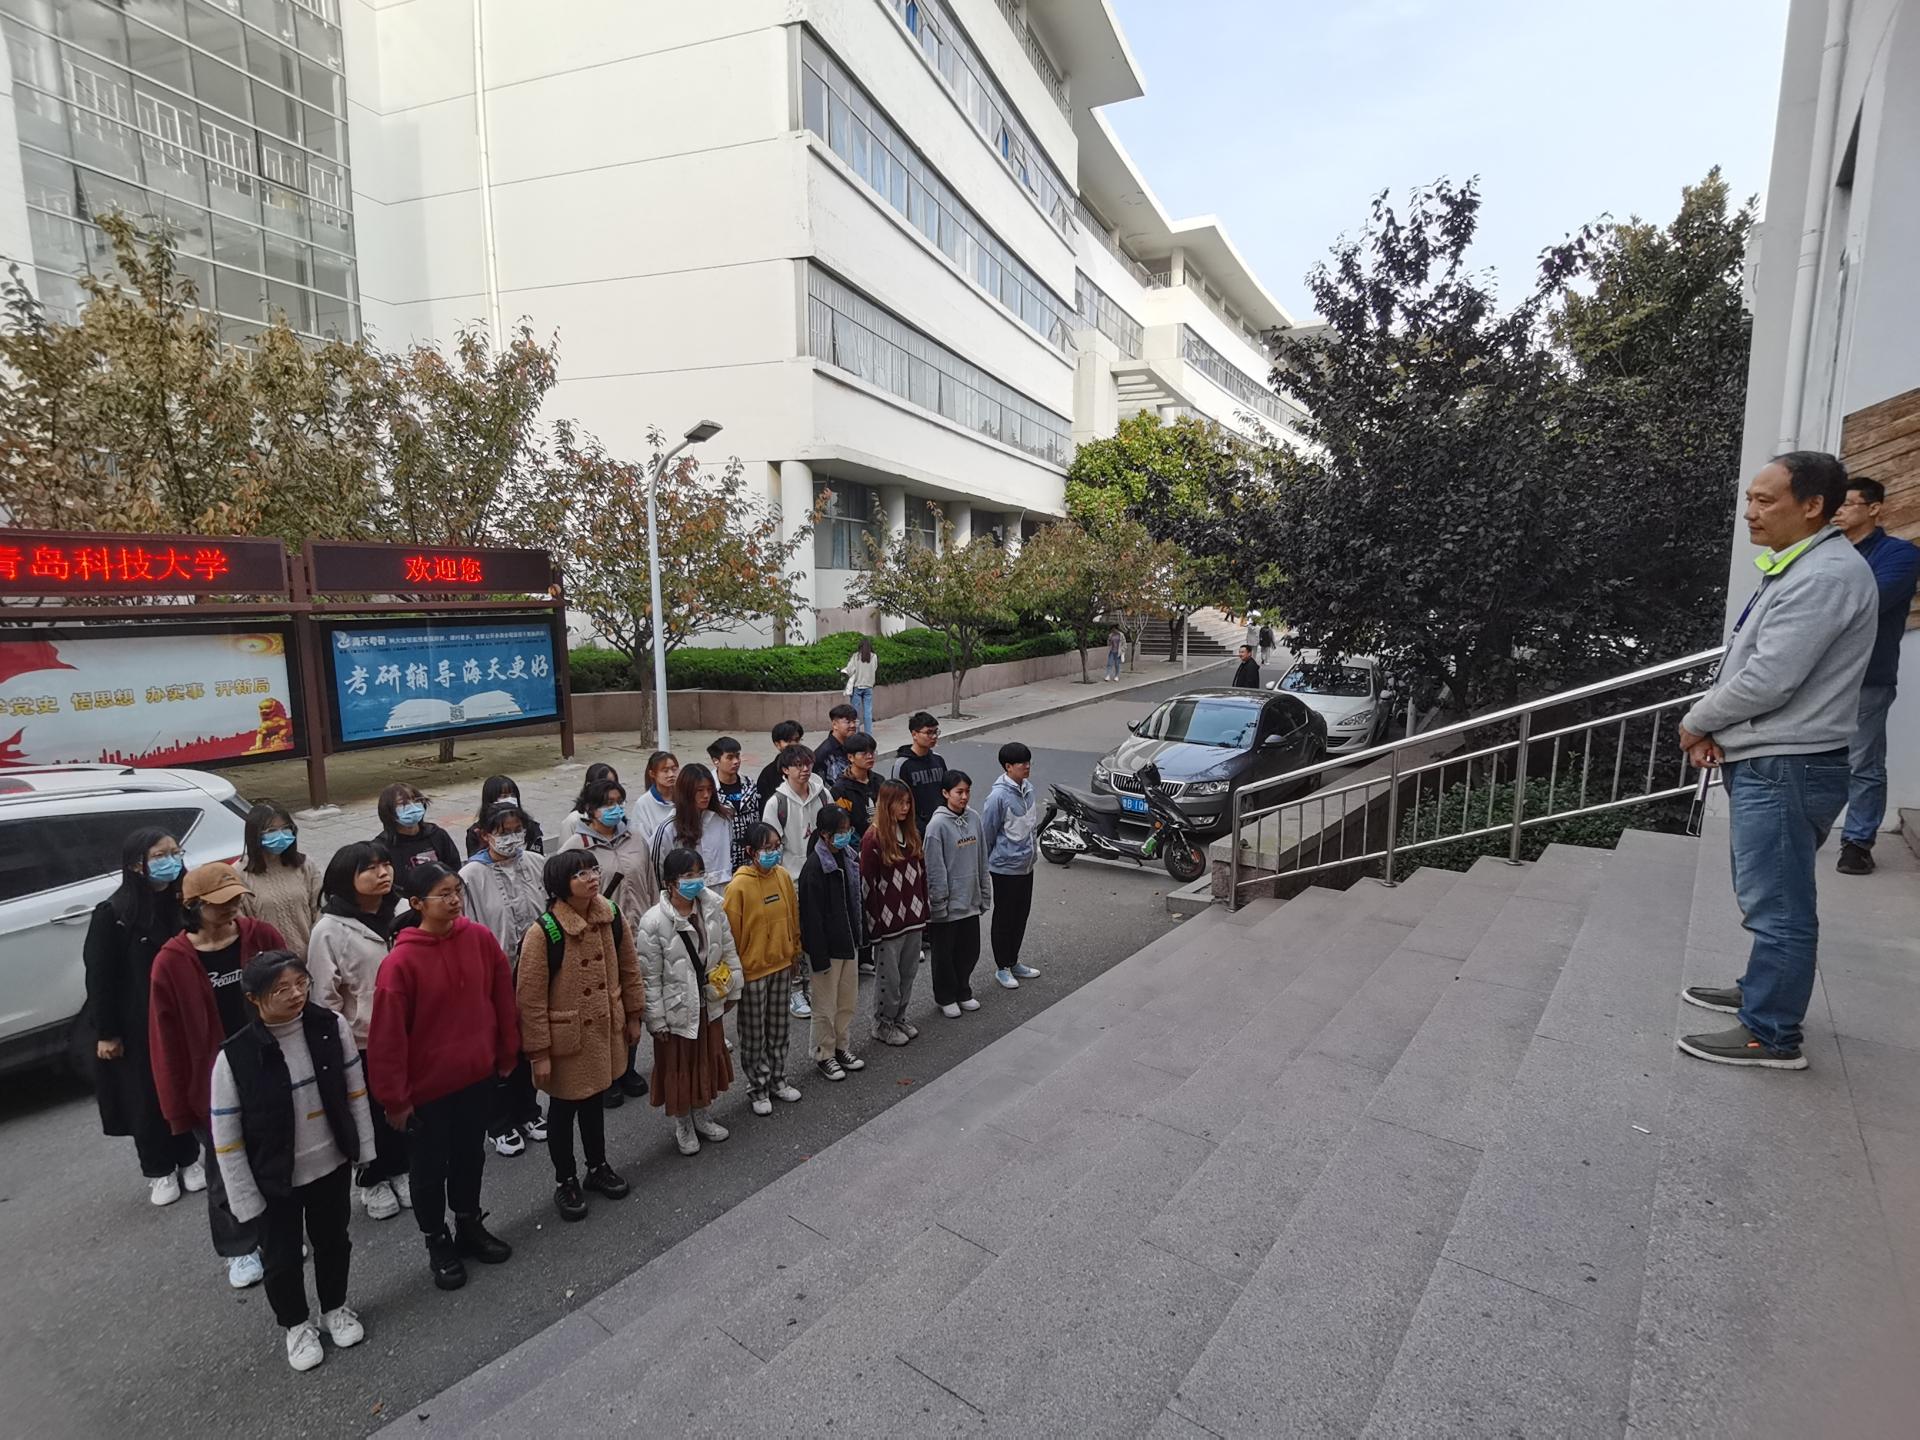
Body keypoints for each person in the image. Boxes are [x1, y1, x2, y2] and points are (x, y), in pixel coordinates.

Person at [1677, 452, 1877, 1071]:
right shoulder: (1803, 564)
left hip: (1789, 763)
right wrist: (1724, 729)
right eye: (1750, 498)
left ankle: (1770, 1032)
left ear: (1812, 505)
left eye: (1765, 500)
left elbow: (1770, 678)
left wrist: (1698, 720)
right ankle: (1762, 992)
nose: (1750, 512)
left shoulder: (1824, 576)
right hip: (1780, 756)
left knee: (1779, 904)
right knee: (1770, 894)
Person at [209, 950, 373, 1372]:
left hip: (330, 1162)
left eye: (301, 983)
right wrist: (243, 1198)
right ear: (253, 998)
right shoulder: (235, 1057)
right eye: (281, 989)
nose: (296, 994)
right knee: (280, 1257)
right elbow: (226, 1138)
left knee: (333, 1240)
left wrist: (364, 1149)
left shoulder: (329, 1026)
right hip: (274, 1177)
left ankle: (334, 1308)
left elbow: (355, 1091)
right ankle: (296, 1325)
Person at [367, 864, 519, 1291]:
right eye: (443, 894)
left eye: (457, 891)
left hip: (476, 1076)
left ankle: (469, 1222)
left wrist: (507, 1052)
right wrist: (395, 1099)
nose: (454, 901)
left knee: (470, 1157)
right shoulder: (400, 964)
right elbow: (387, 1040)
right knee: (429, 1170)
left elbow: (501, 997)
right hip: (427, 1093)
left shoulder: (479, 939)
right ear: (417, 904)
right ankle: (437, 1239)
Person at [149, 863, 288, 1289]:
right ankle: (239, 1247)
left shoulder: (261, 936)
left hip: (267, 1067)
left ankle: (277, 1236)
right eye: (219, 903)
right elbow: (165, 1041)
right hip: (211, 1083)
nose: (232, 908)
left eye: (236, 899)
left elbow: (294, 987)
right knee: (225, 1167)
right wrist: (177, 1108)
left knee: (277, 1158)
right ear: (192, 906)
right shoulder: (171, 962)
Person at [516, 850, 643, 1222]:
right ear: (560, 885)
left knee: (594, 1102)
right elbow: (530, 1000)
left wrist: (634, 1015)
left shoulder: (610, 914)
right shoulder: (545, 932)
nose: (591, 878)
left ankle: (597, 1166)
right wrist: (539, 1052)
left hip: (603, 1029)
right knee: (562, 1111)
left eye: (592, 870)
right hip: (566, 1040)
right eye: (580, 874)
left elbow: (629, 968)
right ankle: (566, 1179)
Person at [84, 827, 198, 1205]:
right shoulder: (114, 914)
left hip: (181, 1014)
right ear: (136, 865)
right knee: (146, 1096)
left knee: (183, 1086)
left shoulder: (185, 902)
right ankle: (158, 1169)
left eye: (176, 852)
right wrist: (107, 1032)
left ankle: (188, 1157)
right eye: (160, 855)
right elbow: (100, 978)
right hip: (138, 1022)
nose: (171, 861)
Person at [308, 842, 410, 1222]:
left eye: (386, 864)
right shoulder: (329, 930)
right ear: (345, 878)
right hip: (362, 1040)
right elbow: (324, 996)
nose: (383, 873)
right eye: (369, 868)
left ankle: (401, 1168)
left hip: (407, 1031)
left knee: (401, 1106)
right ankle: (371, 1178)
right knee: (366, 1112)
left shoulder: (403, 910)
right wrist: (339, 1045)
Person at [1831, 477, 1920, 875]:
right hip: (1817, 676)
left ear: (1874, 508)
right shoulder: (1825, 551)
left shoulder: (1899, 555)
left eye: (1848, 503)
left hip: (1868, 675)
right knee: (1806, 757)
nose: (1838, 511)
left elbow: (1869, 603)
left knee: (1862, 762)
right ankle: (1804, 830)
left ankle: (1856, 843)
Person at [561, 777, 658, 1106]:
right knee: (603, 1006)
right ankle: (606, 1075)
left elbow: (651, 882)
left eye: (619, 801)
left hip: (637, 931)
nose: (615, 808)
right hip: (598, 938)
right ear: (590, 809)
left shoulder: (636, 839)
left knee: (632, 1000)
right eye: (607, 803)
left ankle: (628, 1067)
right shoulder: (576, 847)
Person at [637, 848, 741, 1155]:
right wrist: (656, 1020)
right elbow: (650, 977)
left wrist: (734, 987)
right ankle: (683, 1123)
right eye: (688, 875)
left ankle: (702, 1114)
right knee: (678, 1065)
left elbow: (728, 948)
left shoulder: (713, 907)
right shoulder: (653, 922)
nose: (696, 881)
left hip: (709, 999)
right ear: (670, 882)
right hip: (676, 1008)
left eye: (699, 873)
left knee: (705, 1059)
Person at [461, 802, 550, 1158]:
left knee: (530, 1043)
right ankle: (499, 1123)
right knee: (499, 1050)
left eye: (517, 830)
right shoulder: (471, 876)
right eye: (503, 832)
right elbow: (466, 928)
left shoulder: (536, 863)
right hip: (493, 977)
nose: (512, 838)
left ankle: (528, 1110)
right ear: (484, 835)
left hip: (536, 971)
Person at [722, 821, 804, 1116]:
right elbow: (730, 935)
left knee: (779, 1028)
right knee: (754, 1034)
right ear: (750, 851)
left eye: (776, 847)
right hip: (752, 971)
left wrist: (795, 952)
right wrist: (735, 973)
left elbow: (793, 917)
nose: (773, 853)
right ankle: (758, 1087)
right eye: (766, 848)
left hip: (781, 964)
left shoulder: (783, 876)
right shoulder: (738, 887)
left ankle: (778, 1079)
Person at [799, 805, 865, 1082]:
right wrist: (819, 957)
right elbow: (811, 919)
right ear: (824, 835)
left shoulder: (849, 857)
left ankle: (841, 1046)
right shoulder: (814, 868)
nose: (845, 836)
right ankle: (824, 1053)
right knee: (824, 1007)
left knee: (846, 1001)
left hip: (848, 940)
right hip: (826, 949)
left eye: (847, 830)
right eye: (840, 832)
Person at [862, 780, 929, 1047]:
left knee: (908, 973)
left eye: (908, 802)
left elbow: (922, 876)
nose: (905, 808)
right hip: (888, 924)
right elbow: (867, 886)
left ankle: (899, 1017)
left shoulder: (910, 833)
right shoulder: (873, 839)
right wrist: (874, 927)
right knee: (888, 979)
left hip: (913, 917)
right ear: (886, 804)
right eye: (900, 803)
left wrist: (924, 910)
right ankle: (883, 1024)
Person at [764, 743, 829, 1019]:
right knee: (795, 937)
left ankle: (817, 984)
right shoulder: (776, 803)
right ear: (785, 770)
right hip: (791, 881)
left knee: (818, 932)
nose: (804, 770)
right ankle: (795, 990)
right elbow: (770, 845)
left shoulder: (822, 793)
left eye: (808, 764)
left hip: (821, 875)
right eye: (798, 765)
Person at [923, 771, 992, 1019]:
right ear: (945, 793)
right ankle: (945, 996)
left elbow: (982, 857)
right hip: (948, 906)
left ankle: (963, 990)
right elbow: (934, 868)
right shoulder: (937, 826)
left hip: (970, 900)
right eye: (958, 792)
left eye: (967, 791)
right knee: (944, 956)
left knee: (969, 951)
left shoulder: (974, 818)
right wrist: (939, 903)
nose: (964, 797)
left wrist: (984, 893)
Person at [980, 741, 1043, 992]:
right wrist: (984, 866)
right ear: (1008, 767)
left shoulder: (1028, 789)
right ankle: (1002, 967)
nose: (1027, 766)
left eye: (1028, 762)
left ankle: (1014, 961)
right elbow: (987, 833)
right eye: (1021, 763)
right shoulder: (998, 797)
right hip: (1004, 869)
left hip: (1026, 866)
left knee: (1020, 915)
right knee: (1004, 918)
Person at [236, 802, 322, 957]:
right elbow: (241, 924)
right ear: (255, 834)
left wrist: (317, 949)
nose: (280, 835)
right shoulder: (239, 873)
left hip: (312, 956)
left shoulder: (305, 865)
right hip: (269, 962)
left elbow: (321, 908)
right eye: (271, 831)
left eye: (285, 828)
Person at [831, 731, 882, 974]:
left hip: (883, 849)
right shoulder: (841, 789)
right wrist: (859, 850)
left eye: (872, 751)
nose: (870, 756)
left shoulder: (879, 782)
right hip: (856, 854)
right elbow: (844, 824)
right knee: (860, 903)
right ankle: (864, 955)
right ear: (850, 757)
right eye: (864, 753)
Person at [651, 762, 735, 893]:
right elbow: (657, 872)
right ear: (686, 792)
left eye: (709, 789)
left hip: (721, 896)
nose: (706, 795)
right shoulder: (668, 829)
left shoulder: (723, 819)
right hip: (686, 898)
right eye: (700, 790)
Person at [374, 783, 461, 879]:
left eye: (415, 800)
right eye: (403, 803)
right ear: (388, 810)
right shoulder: (382, 846)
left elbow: (454, 868)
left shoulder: (436, 834)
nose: (412, 806)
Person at [888, 711, 948, 833]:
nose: (934, 736)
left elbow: (947, 791)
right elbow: (897, 799)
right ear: (914, 734)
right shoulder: (902, 765)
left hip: (941, 825)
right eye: (929, 733)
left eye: (936, 732)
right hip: (916, 830)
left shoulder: (938, 760)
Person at [709, 736, 760, 872]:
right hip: (721, 859)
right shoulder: (708, 789)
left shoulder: (750, 784)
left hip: (749, 857)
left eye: (737, 756)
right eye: (730, 758)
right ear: (716, 761)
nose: (736, 761)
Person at [464, 775, 547, 859]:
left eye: (513, 795)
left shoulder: (530, 825)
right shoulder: (476, 832)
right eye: (504, 796)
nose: (510, 799)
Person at [630, 751, 680, 842]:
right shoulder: (643, 804)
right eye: (665, 771)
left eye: (674, 769)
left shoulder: (684, 797)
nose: (671, 774)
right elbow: (641, 839)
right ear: (652, 774)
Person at [754, 720, 805, 804]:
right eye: (788, 741)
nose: (793, 744)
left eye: (797, 740)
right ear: (777, 744)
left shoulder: (808, 767)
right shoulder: (767, 775)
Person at [562, 763, 620, 833]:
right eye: (604, 785)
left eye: (614, 784)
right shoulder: (574, 820)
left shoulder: (617, 815)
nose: (611, 789)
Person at [812, 703, 860, 786]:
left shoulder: (855, 745)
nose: (853, 725)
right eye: (848, 722)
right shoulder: (824, 752)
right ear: (834, 725)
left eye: (854, 721)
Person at [841, 635, 878, 734]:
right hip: (869, 687)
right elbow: (875, 668)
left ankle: (856, 733)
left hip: (857, 687)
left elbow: (850, 670)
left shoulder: (856, 656)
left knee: (855, 713)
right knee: (868, 712)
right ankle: (868, 734)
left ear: (860, 646)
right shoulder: (874, 657)